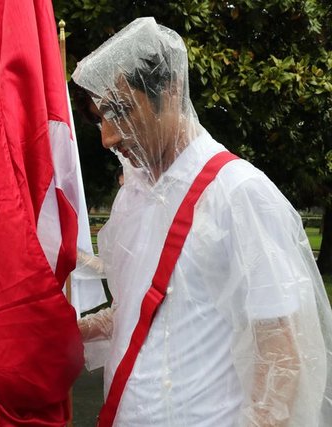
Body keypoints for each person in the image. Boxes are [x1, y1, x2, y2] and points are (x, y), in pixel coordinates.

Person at [72, 17, 332, 426]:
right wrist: (69, 330)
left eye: (120, 111)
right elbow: (134, 310)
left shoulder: (239, 193)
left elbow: (282, 351)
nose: (108, 137)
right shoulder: (133, 197)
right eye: (99, 118)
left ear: (171, 92)